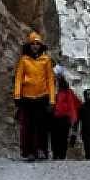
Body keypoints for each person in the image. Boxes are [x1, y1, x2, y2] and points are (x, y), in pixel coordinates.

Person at [12, 31, 55, 161]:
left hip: (42, 96)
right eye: (33, 44)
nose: (35, 46)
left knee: (42, 125)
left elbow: (50, 80)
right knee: (29, 125)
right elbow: (18, 78)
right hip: (27, 97)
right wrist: (17, 96)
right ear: (29, 46)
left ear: (41, 46)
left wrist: (52, 100)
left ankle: (41, 149)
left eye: (37, 44)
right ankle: (29, 151)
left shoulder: (46, 60)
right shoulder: (24, 60)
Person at [50, 77, 80, 160]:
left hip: (64, 117)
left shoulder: (67, 91)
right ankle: (55, 154)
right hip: (53, 116)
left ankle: (62, 155)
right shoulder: (50, 90)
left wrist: (72, 115)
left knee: (63, 136)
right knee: (54, 136)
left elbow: (74, 103)